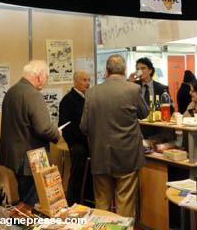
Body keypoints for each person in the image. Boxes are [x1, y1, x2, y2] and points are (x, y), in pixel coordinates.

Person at [80, 54, 148, 217]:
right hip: (128, 156)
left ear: (107, 71)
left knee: (102, 203)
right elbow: (144, 113)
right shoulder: (133, 89)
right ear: (124, 70)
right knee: (125, 202)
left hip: (100, 155)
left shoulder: (92, 93)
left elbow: (83, 127)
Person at [0, 60, 61, 205]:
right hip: (31, 159)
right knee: (34, 203)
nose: (45, 82)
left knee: (24, 198)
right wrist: (57, 134)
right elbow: (43, 128)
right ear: (38, 76)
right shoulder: (33, 94)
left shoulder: (12, 91)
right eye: (46, 78)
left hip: (14, 156)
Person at [58, 70, 92, 206]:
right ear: (75, 81)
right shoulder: (68, 100)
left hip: (90, 143)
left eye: (89, 80)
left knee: (90, 177)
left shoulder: (88, 98)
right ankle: (73, 204)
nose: (88, 83)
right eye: (84, 80)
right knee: (77, 176)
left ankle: (88, 203)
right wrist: (73, 144)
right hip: (78, 144)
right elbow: (64, 125)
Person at [128, 57, 172, 137]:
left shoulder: (161, 88)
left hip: (156, 129)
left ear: (150, 70)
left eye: (143, 68)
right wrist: (129, 82)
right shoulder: (133, 86)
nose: (140, 71)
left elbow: (170, 109)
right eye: (138, 69)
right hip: (138, 128)